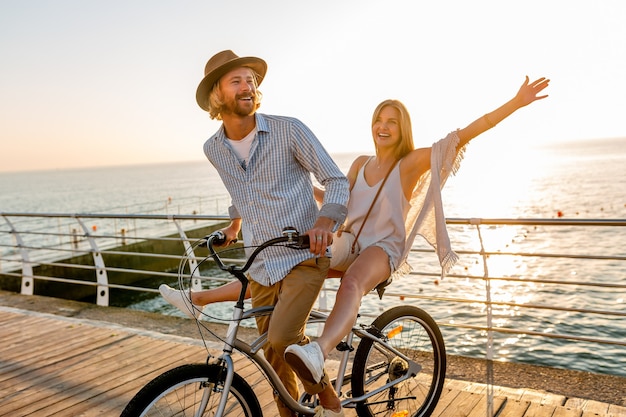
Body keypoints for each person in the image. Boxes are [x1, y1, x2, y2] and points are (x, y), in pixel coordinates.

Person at [162, 72, 550, 412]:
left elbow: (464, 134)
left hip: (383, 248)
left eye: (392, 122)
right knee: (277, 266)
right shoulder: (361, 164)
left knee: (351, 284)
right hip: (349, 239)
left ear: (403, 129)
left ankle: (319, 350)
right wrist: (296, 198)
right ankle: (202, 298)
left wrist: (514, 104)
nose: (384, 127)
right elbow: (336, 196)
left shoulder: (410, 162)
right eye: (379, 120)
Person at [164, 49, 351, 417]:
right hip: (261, 262)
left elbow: (336, 180)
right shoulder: (214, 148)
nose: (247, 86)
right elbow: (239, 190)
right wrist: (233, 226)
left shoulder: (288, 129)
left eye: (251, 79)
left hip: (304, 254)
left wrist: (325, 223)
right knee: (272, 357)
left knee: (282, 339)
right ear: (217, 95)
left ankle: (326, 392)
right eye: (237, 80)